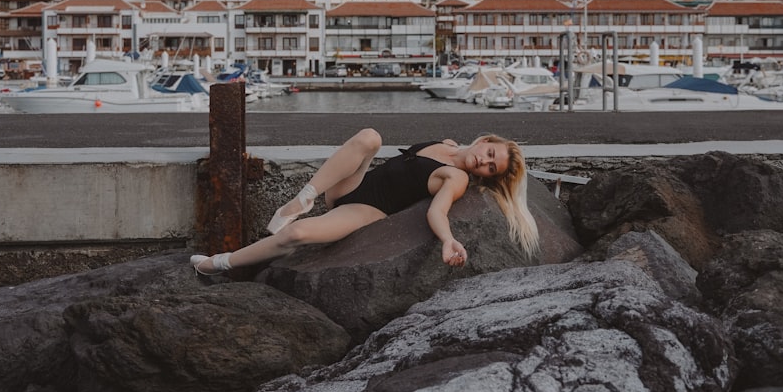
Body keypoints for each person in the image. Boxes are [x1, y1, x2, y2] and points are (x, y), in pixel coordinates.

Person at [190, 128, 539, 275]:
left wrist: (448, 240)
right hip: (347, 187)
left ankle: (218, 264)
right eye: (490, 153)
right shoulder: (448, 144)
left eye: (492, 168)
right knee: (370, 137)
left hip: (363, 210)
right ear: (486, 140)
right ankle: (304, 197)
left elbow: (438, 210)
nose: (485, 162)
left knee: (296, 236)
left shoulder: (457, 178)